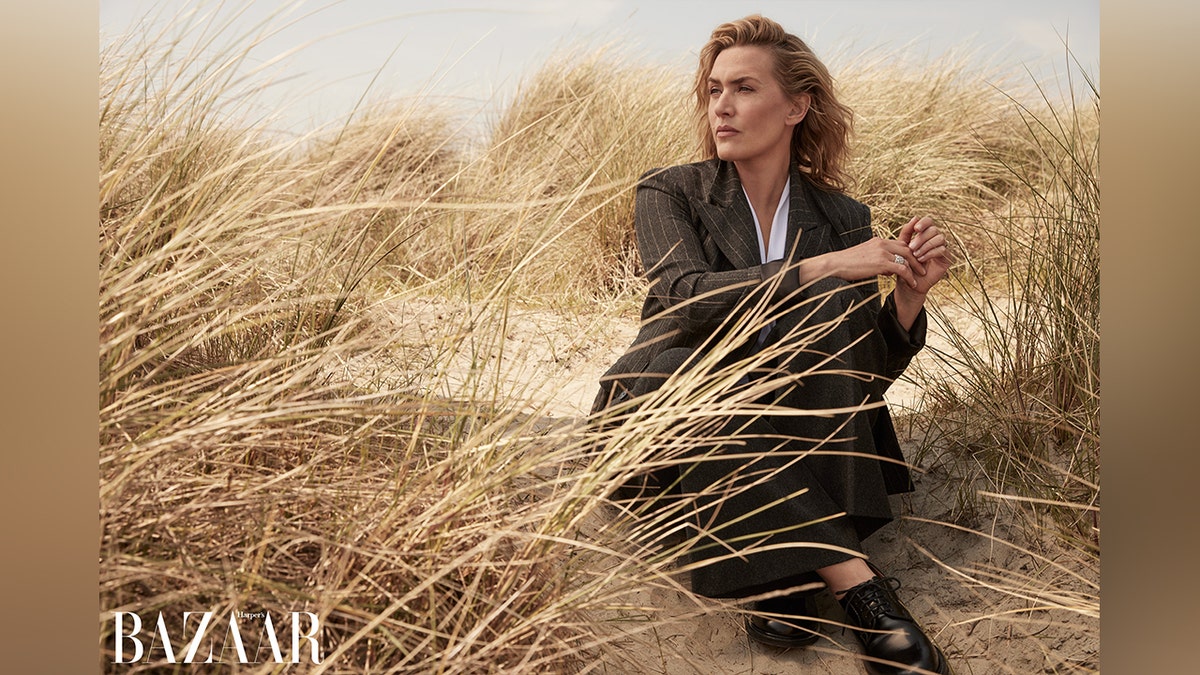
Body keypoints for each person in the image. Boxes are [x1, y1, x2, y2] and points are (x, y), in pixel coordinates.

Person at [590, 15, 953, 675]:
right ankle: (858, 585)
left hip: (790, 431)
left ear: (796, 105)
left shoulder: (842, 219)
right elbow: (688, 296)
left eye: (744, 88)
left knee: (830, 307)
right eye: (713, 90)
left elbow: (858, 380)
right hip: (668, 421)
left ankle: (776, 576)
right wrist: (823, 268)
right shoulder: (670, 191)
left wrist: (908, 299)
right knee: (684, 367)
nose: (721, 105)